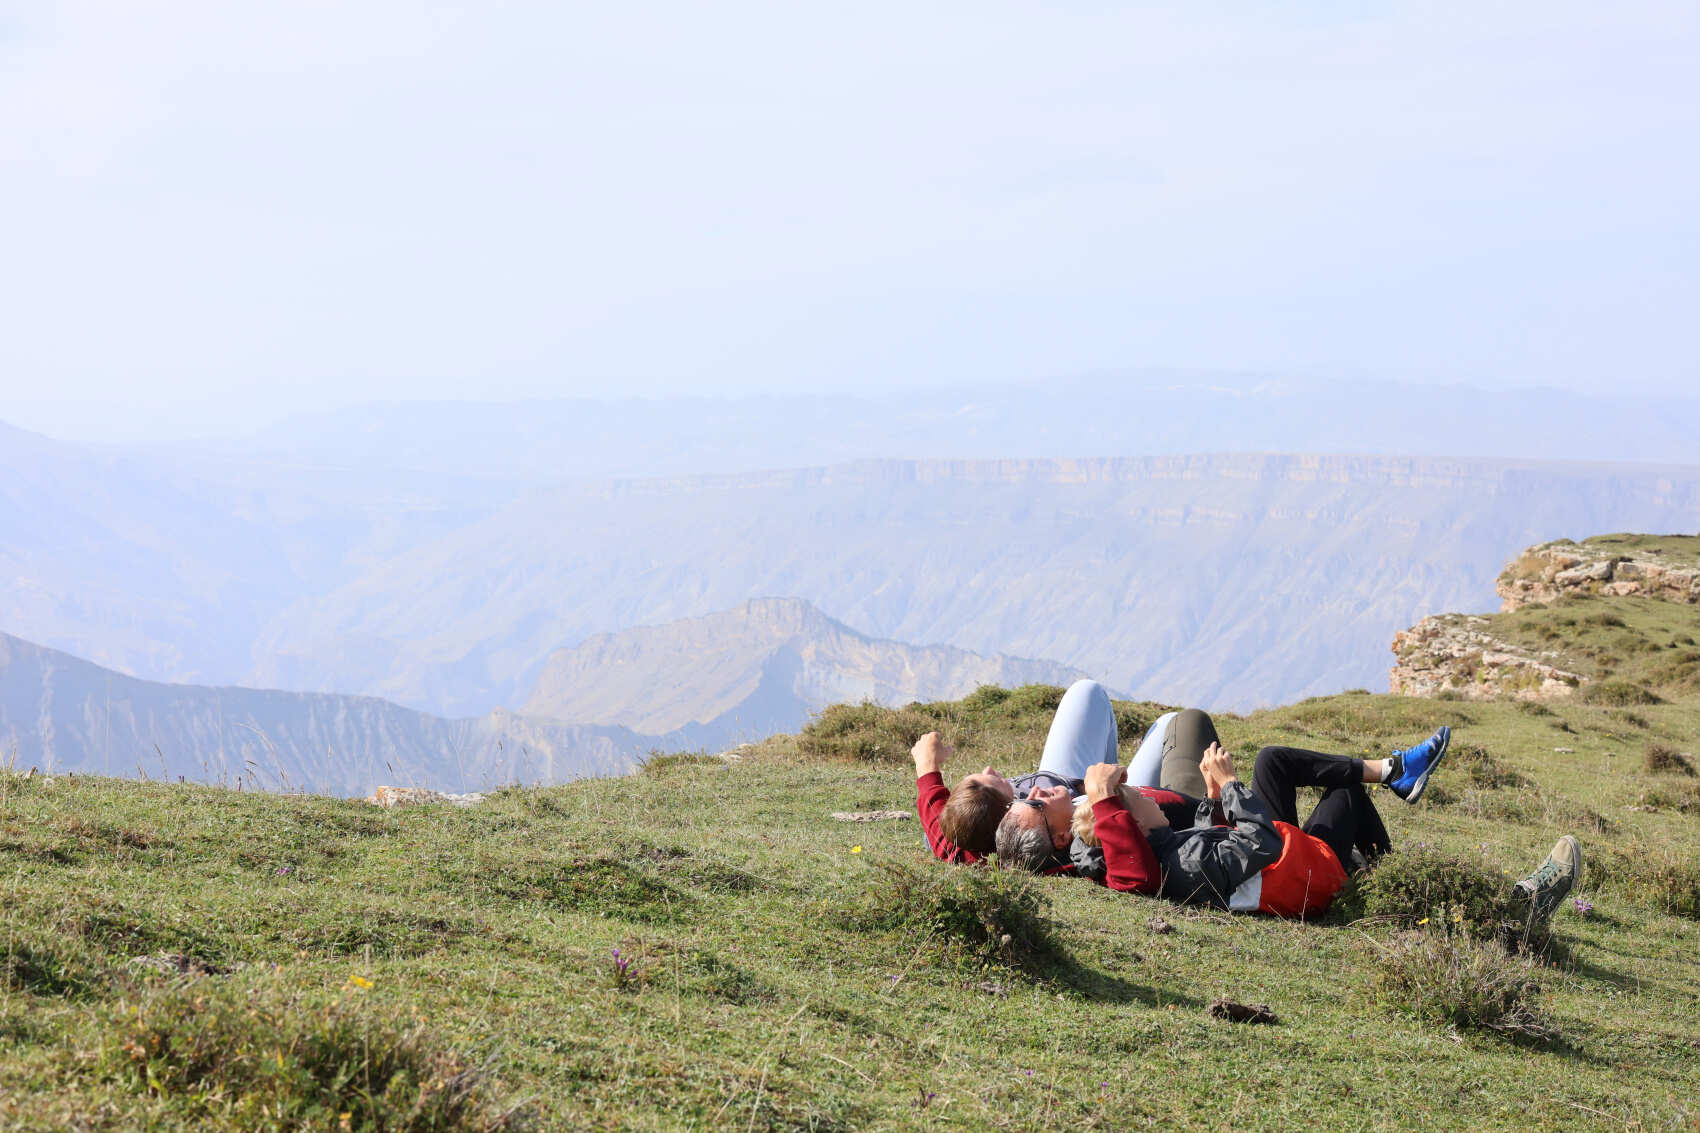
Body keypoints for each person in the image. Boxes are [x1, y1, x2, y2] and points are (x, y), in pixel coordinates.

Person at [913, 680, 1203, 869]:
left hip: (1071, 791)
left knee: (1086, 693)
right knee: (1170, 723)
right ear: (1008, 813)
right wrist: (1104, 799)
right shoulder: (1053, 843)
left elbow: (942, 831)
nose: (989, 769)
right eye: (1022, 798)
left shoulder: (966, 837)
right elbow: (1133, 873)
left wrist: (928, 768)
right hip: (1103, 805)